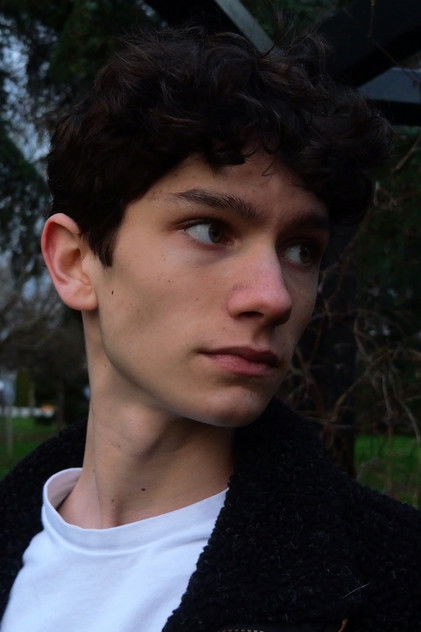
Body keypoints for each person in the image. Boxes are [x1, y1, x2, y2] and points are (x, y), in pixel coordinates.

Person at [0, 25, 419, 632]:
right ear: (74, 263)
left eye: (301, 249)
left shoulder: (397, 580)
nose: (274, 296)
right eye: (210, 230)